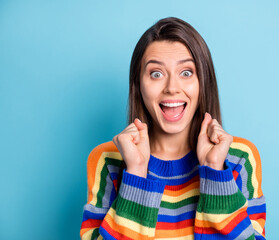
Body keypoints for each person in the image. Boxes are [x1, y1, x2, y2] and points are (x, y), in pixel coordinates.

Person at [80, 17, 266, 240]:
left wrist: (215, 172)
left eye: (186, 72)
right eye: (156, 74)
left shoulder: (238, 159)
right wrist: (137, 174)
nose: (171, 88)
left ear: (203, 81)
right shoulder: (108, 160)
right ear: (138, 85)